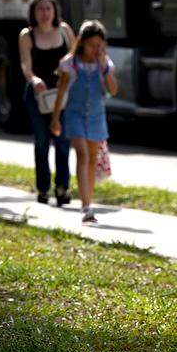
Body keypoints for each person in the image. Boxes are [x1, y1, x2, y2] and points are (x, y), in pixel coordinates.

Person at [50, 20, 118, 223]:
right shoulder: (70, 64)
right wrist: (55, 119)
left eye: (100, 45)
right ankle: (86, 207)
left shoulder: (104, 65)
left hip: (96, 118)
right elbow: (61, 91)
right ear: (81, 42)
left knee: (91, 158)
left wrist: (105, 68)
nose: (95, 49)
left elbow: (113, 90)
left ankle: (88, 202)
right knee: (82, 153)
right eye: (92, 45)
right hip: (75, 115)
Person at [18, 0, 76, 205]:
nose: (44, 13)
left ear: (54, 10)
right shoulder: (27, 35)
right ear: (33, 12)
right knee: (42, 141)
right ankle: (43, 188)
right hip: (38, 95)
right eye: (40, 9)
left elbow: (75, 55)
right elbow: (25, 64)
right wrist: (34, 80)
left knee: (62, 140)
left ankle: (63, 187)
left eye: (48, 8)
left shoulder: (65, 30)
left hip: (62, 95)